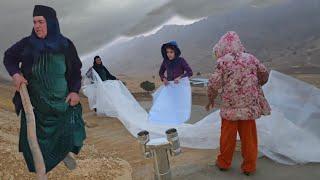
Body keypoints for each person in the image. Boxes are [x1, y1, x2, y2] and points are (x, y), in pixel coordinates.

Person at [3, 5, 86, 173]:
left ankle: (62, 154)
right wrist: (16, 74)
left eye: (41, 21)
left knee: (69, 134)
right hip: (36, 105)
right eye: (34, 22)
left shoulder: (65, 45)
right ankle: (43, 168)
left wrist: (74, 91)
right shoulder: (27, 44)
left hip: (61, 102)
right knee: (35, 145)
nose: (37, 26)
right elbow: (9, 57)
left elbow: (75, 71)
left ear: (51, 23)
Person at [206, 31, 271, 176]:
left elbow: (213, 83)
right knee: (249, 137)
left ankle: (224, 163)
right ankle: (249, 166)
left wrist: (210, 98)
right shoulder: (251, 58)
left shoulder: (223, 61)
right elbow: (264, 73)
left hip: (230, 108)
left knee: (227, 137)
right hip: (248, 106)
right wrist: (255, 84)